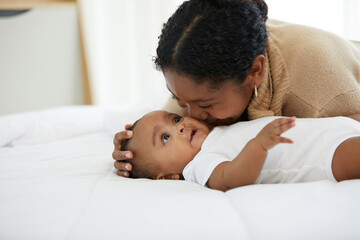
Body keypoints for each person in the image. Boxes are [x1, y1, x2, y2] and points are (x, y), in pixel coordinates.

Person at [113, 0, 360, 177]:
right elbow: (162, 132)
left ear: (255, 72)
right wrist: (135, 153)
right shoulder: (197, 85)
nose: (192, 116)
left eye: (206, 105)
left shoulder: (319, 93)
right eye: (178, 100)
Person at [120, 110, 360, 191]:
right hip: (325, 155)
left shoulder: (216, 130)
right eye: (165, 137)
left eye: (174, 120)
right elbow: (230, 178)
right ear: (169, 177)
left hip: (334, 127)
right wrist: (258, 145)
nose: (180, 127)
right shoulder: (199, 164)